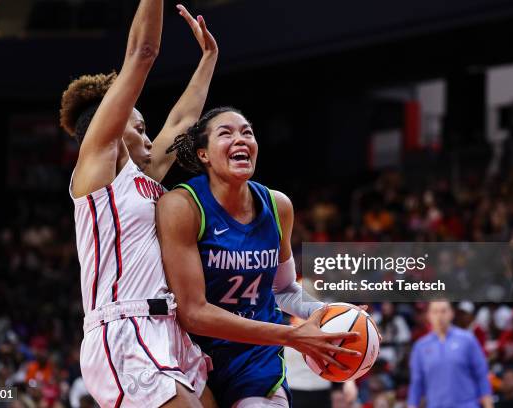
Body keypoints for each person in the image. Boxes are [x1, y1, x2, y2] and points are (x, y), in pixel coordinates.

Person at [59, 1, 219, 407]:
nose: (150, 138)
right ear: (111, 127)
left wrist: (209, 60)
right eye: (140, 126)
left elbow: (182, 124)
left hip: (167, 328)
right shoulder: (98, 169)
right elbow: (141, 54)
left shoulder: (145, 179)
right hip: (123, 327)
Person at [157, 107, 362, 408]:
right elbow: (194, 313)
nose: (240, 139)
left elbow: (284, 289)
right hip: (194, 353)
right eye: (226, 133)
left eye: (247, 132)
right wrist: (291, 335)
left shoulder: (278, 206)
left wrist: (333, 315)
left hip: (256, 355)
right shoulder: (182, 206)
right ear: (203, 154)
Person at [408, 301, 493, 408]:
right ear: (428, 315)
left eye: (443, 311)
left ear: (451, 313)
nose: (439, 316)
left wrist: (488, 405)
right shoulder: (420, 347)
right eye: (435, 312)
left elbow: (481, 375)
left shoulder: (467, 340)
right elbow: (416, 383)